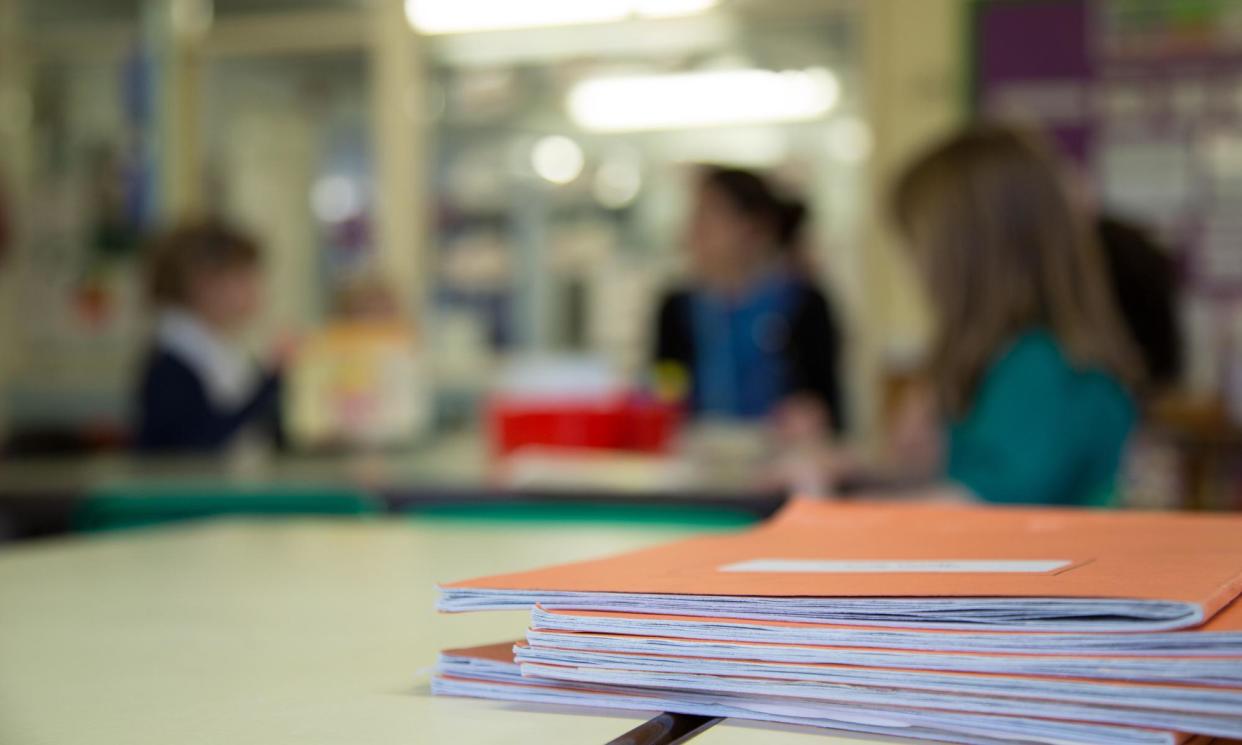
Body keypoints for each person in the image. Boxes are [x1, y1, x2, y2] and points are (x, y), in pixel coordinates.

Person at [876, 124, 1144, 506]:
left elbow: (991, 500)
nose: (913, 270)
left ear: (965, 257)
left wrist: (835, 514)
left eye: (917, 248)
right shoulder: (1017, 359)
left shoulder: (1040, 363)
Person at [654, 166, 846, 435]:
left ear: (752, 228)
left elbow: (826, 404)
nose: (693, 230)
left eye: (707, 218)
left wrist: (809, 416)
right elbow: (664, 387)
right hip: (695, 454)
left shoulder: (802, 303)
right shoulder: (677, 308)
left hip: (779, 460)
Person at [134, 221, 283, 454]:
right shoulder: (172, 363)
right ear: (204, 284)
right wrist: (270, 381)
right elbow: (201, 442)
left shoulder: (218, 349)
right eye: (243, 278)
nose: (255, 290)